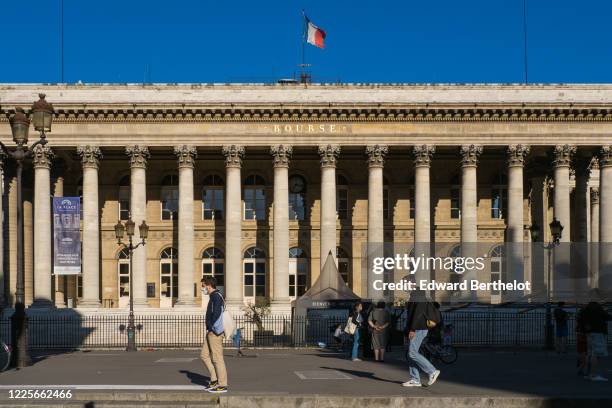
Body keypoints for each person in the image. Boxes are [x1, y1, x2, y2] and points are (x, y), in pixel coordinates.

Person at [402, 289, 441, 387]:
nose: (402, 286)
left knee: (412, 353)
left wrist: (412, 329)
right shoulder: (415, 295)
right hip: (417, 328)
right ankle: (415, 379)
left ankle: (432, 371)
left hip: (419, 328)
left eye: (404, 283)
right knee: (410, 354)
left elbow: (418, 314)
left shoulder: (419, 295)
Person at [200, 276, 228, 393]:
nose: (202, 288)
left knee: (217, 358)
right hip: (211, 331)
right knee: (204, 355)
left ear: (209, 285)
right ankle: (214, 379)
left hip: (215, 332)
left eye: (203, 286)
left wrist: (211, 328)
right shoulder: (213, 296)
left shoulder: (216, 297)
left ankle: (223, 384)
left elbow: (216, 313)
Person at [581, 301, 611, 381]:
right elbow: (608, 317)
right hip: (598, 333)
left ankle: (589, 373)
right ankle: (594, 375)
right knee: (596, 354)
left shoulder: (585, 311)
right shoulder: (599, 311)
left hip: (589, 334)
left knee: (590, 353)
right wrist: (606, 311)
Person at [575, 306, 589, 377]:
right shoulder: (585, 322)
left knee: (582, 354)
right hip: (584, 339)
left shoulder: (579, 322)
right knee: (585, 357)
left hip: (579, 340)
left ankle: (580, 365)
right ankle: (581, 370)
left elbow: (577, 330)